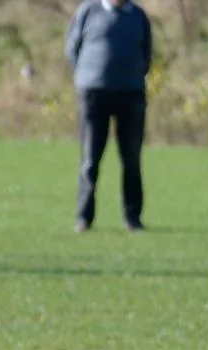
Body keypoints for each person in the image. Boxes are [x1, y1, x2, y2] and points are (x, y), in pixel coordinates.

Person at [65, 0, 151, 232]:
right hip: (94, 95)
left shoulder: (138, 16)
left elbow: (147, 54)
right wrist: (87, 77)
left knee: (131, 159)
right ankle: (84, 217)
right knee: (90, 159)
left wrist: (132, 76)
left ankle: (133, 218)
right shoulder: (88, 11)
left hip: (131, 94)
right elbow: (72, 49)